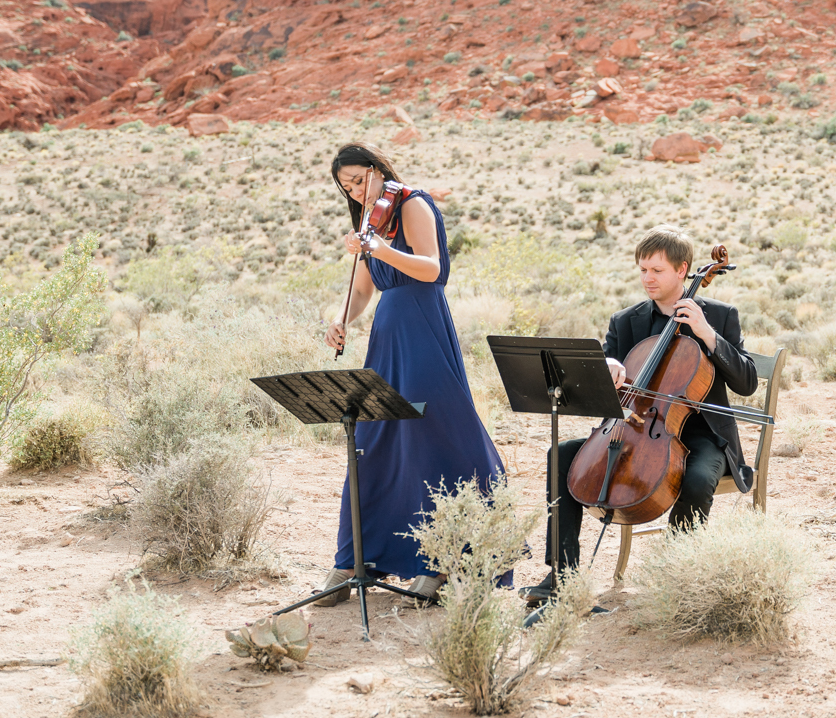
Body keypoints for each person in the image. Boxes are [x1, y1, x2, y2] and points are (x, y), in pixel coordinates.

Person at [522, 225, 758, 602]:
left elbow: (747, 382)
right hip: (635, 428)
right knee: (561, 456)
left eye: (657, 270)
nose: (648, 278)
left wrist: (707, 333)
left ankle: (678, 580)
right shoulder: (626, 320)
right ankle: (560, 576)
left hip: (701, 435)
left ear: (683, 270)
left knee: (696, 481)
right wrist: (609, 366)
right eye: (643, 269)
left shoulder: (720, 315)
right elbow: (598, 367)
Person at [318, 142, 507, 604]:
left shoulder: (414, 203)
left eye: (360, 180)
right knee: (372, 438)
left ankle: (442, 560)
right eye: (347, 187)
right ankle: (355, 559)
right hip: (387, 333)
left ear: (379, 169)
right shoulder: (369, 221)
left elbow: (431, 268)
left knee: (430, 432)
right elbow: (363, 289)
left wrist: (381, 247)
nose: (356, 192)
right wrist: (343, 319)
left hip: (422, 325)